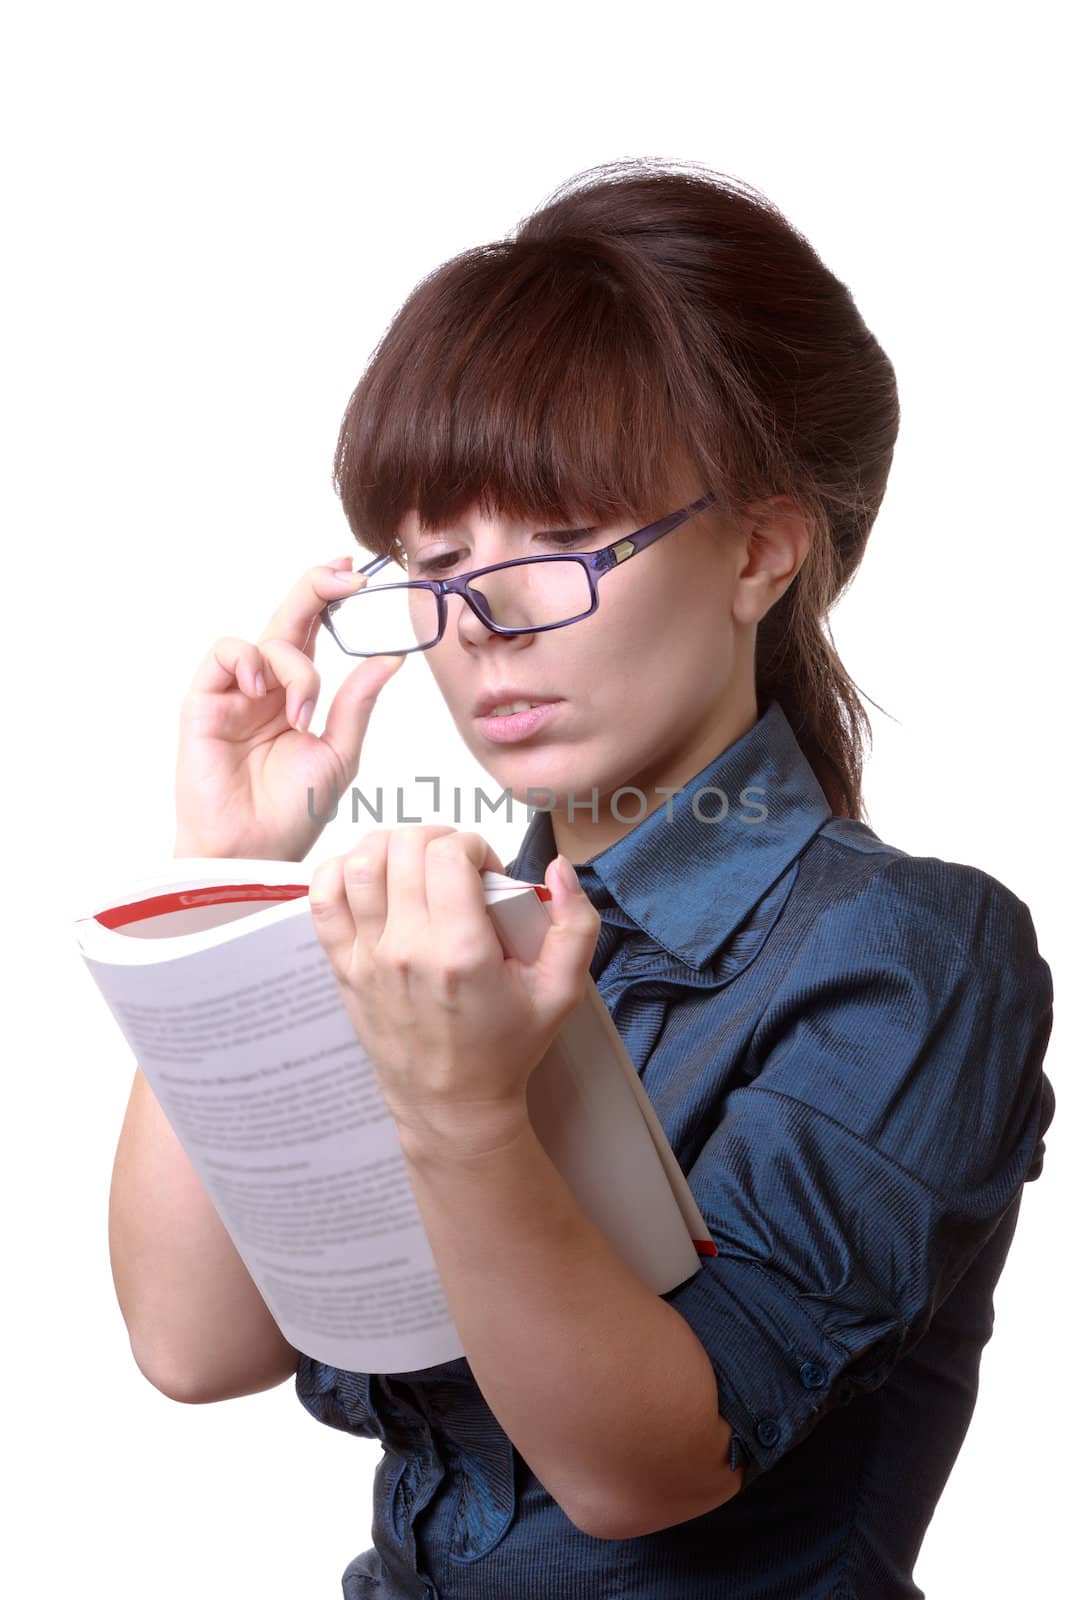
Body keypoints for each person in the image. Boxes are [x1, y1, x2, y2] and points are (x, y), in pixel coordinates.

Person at [109, 158, 1056, 1599]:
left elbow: (645, 1470)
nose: (484, 622)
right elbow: (192, 1345)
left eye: (562, 540)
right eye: (435, 559)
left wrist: (462, 1110)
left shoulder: (912, 951)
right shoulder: (448, 935)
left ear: (757, 549)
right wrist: (227, 882)